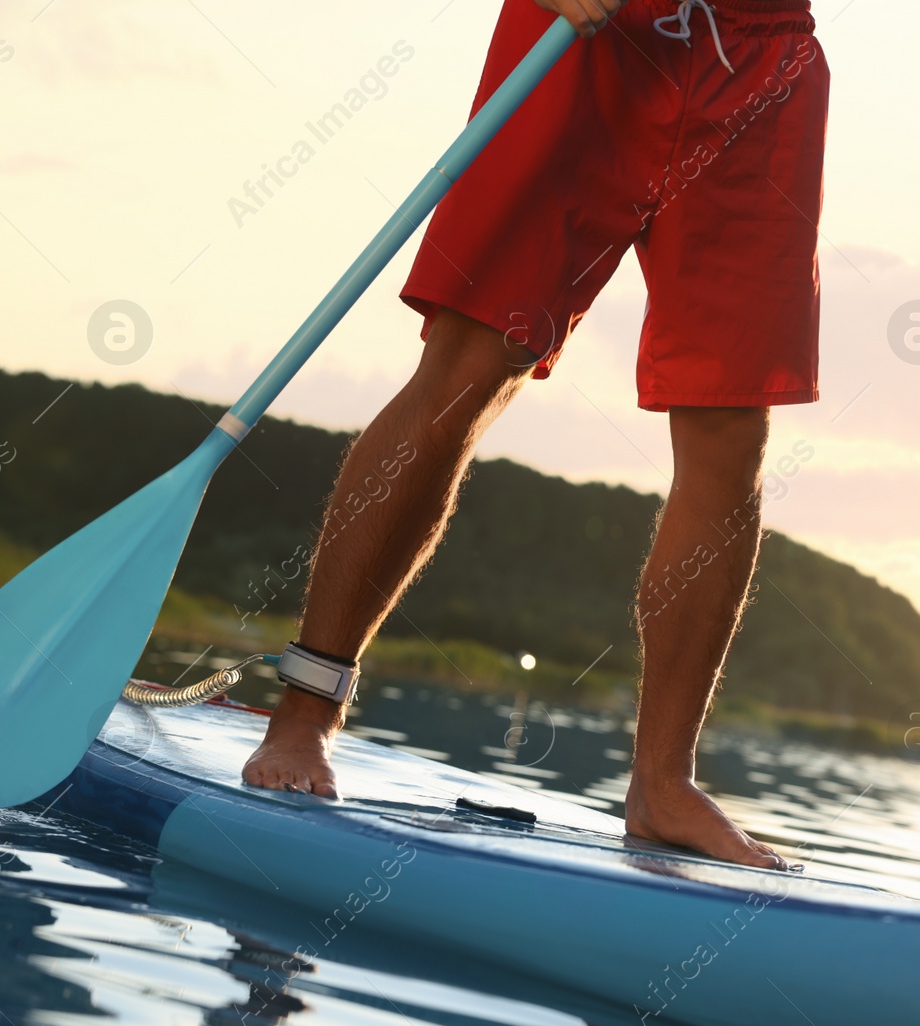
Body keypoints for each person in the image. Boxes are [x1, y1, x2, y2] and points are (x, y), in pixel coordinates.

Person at [242, 0, 829, 870]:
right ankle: (306, 710)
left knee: (731, 425)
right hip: (597, 31)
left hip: (761, 59)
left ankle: (663, 786)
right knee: (475, 361)